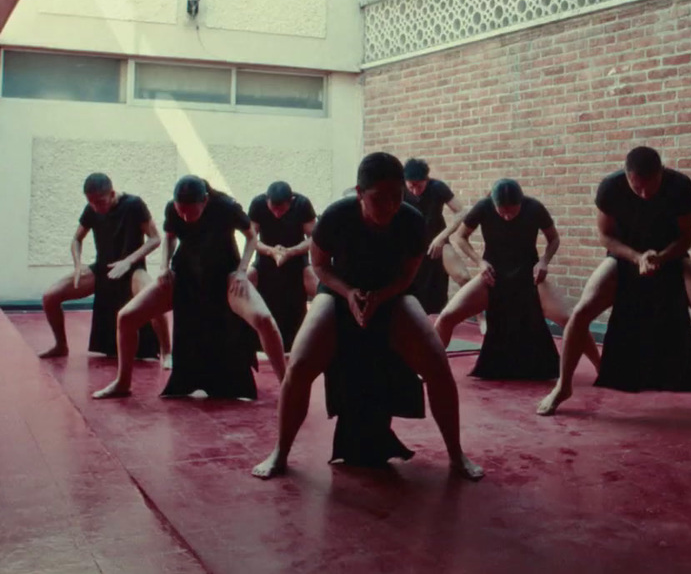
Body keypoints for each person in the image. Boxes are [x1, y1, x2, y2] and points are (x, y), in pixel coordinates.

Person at [251, 152, 484, 481]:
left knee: (436, 360)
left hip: (392, 293)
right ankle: (280, 452)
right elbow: (319, 266)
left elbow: (407, 277)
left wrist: (379, 297)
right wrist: (348, 293)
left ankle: (457, 455)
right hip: (338, 290)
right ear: (360, 193)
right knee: (300, 364)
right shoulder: (336, 216)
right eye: (379, 198)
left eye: (396, 196)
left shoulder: (411, 220)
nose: (389, 205)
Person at [538, 146, 691, 416]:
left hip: (670, 258)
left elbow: (687, 237)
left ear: (662, 173)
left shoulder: (681, 187)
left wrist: (660, 257)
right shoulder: (610, 188)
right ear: (626, 177)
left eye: (651, 187)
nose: (645, 194)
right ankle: (563, 387)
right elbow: (606, 237)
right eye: (638, 189)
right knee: (580, 312)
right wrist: (638, 258)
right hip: (625, 259)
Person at [93, 176, 287, 400]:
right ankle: (122, 382)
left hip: (224, 275)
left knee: (263, 319)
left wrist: (242, 271)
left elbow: (251, 238)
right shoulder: (172, 209)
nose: (185, 217)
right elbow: (169, 238)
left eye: (190, 212)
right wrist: (164, 267)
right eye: (180, 211)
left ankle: (287, 384)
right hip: (185, 275)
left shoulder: (226, 207)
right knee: (126, 317)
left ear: (204, 201)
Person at [434, 179, 601, 379]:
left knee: (570, 318)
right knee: (446, 317)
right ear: (493, 204)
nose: (506, 217)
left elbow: (554, 239)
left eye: (512, 212)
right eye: (501, 212)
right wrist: (479, 262)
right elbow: (460, 237)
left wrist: (544, 262)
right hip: (492, 276)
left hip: (529, 276)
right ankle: (429, 368)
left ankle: (603, 368)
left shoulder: (534, 207)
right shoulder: (483, 207)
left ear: (521, 203)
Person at [37, 172, 168, 363]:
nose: (96, 207)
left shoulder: (134, 205)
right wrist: (78, 264)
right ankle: (60, 345)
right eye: (91, 202)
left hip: (132, 270)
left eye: (100, 201)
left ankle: (166, 351)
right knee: (50, 296)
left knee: (154, 299)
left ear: (112, 193)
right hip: (102, 268)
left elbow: (155, 238)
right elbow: (76, 239)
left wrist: (128, 262)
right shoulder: (92, 208)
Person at [247, 181, 318, 350]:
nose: (277, 214)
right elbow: (252, 239)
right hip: (266, 258)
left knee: (319, 287)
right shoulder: (258, 204)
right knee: (242, 283)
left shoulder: (302, 204)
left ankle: (316, 338)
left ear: (291, 201)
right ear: (267, 201)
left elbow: (314, 239)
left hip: (296, 259)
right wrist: (272, 251)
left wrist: (290, 252)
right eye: (274, 209)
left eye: (282, 210)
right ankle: (243, 337)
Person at [403, 159, 463, 314]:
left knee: (462, 276)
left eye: (420, 186)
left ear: (426, 180)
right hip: (412, 246)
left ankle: (482, 318)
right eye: (411, 186)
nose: (415, 191)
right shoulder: (400, 190)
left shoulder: (437, 187)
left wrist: (442, 237)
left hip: (438, 244)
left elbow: (461, 212)